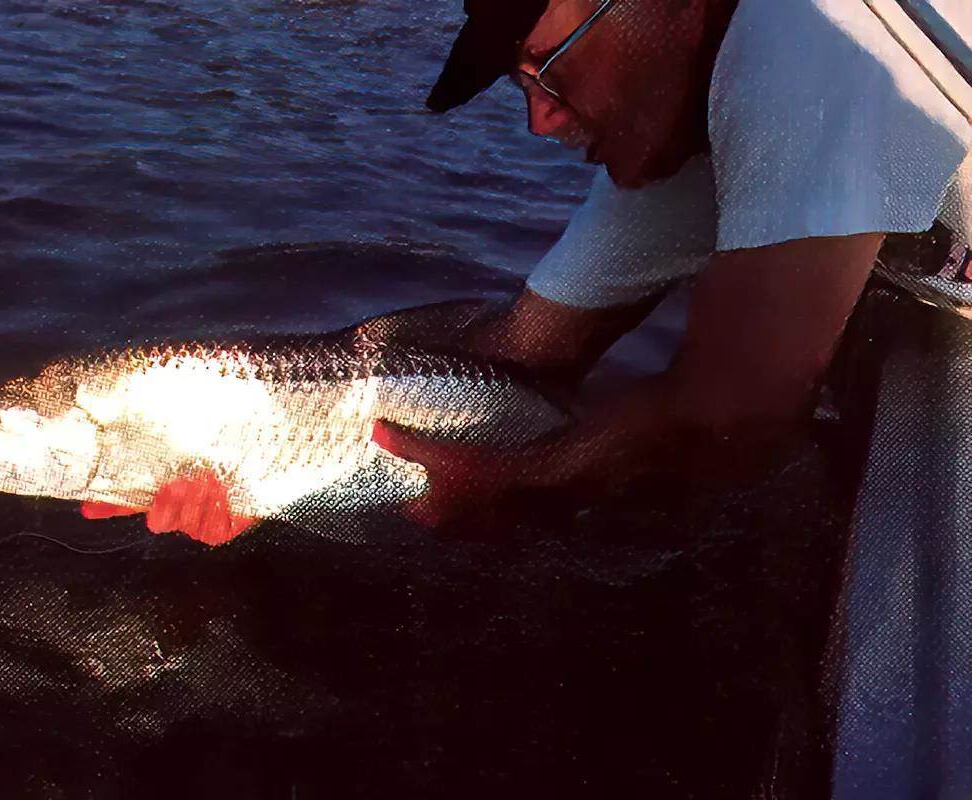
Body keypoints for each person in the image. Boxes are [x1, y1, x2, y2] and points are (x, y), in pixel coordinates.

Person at [369, 0, 972, 797]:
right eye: (521, 86)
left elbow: (737, 419)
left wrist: (517, 485)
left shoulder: (811, 31)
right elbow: (522, 354)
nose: (540, 123)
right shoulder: (686, 129)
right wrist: (240, 455)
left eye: (546, 69)